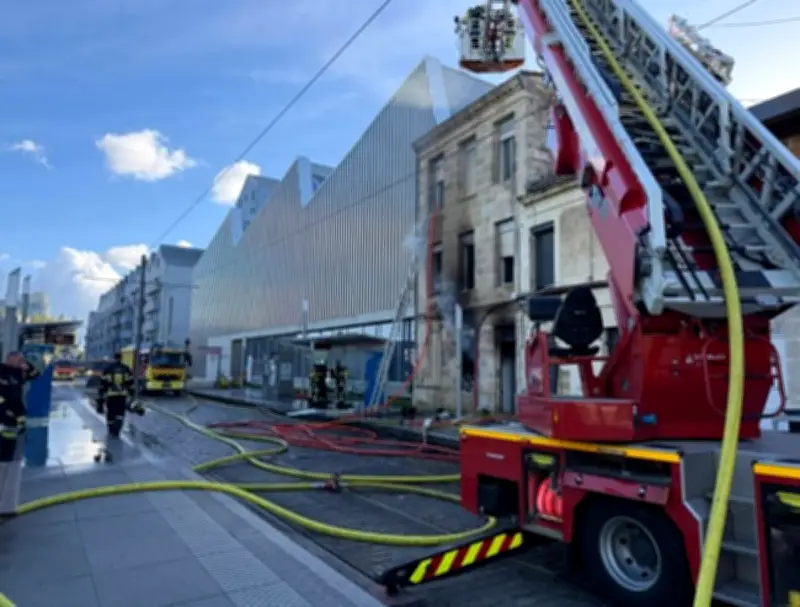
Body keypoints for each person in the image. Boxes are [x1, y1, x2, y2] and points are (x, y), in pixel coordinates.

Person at [0, 352, 40, 515]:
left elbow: (36, 374)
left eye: (22, 360)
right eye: (18, 360)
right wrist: (6, 413)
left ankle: (7, 507)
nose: (21, 363)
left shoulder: (18, 375)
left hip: (14, 423)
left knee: (11, 462)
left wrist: (28, 365)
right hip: (3, 421)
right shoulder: (2, 373)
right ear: (9, 359)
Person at [99, 351, 134, 438]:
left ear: (114, 358)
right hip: (122, 395)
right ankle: (117, 430)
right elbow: (130, 383)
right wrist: (131, 395)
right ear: (121, 358)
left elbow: (102, 383)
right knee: (120, 413)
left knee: (110, 412)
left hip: (111, 395)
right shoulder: (126, 369)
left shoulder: (107, 369)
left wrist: (101, 395)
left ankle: (111, 429)